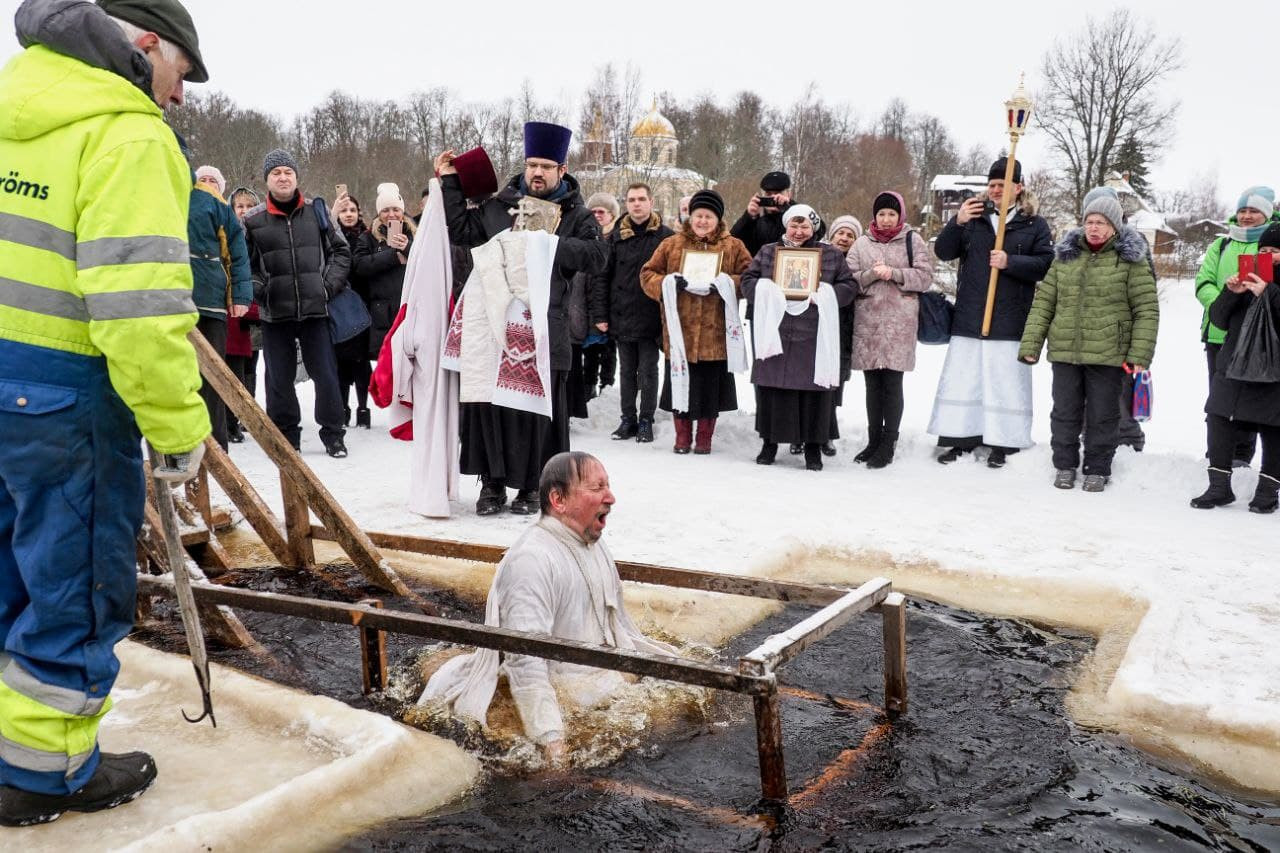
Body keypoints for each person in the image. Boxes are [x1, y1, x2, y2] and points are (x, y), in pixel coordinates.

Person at [0, 0, 211, 824]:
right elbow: (138, 308)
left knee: (9, 574)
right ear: (146, 41)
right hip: (66, 393)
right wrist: (179, 426)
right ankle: (45, 772)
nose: (180, 96)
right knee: (73, 583)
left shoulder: (17, 106)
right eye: (180, 74)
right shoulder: (125, 134)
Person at [417, 452, 677, 761]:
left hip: (594, 677)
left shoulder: (593, 543)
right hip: (561, 688)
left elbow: (617, 626)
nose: (611, 497)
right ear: (558, 499)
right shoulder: (533, 560)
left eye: (607, 486)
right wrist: (552, 741)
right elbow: (525, 659)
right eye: (597, 488)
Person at [434, 123, 608, 516]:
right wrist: (449, 182)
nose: (538, 173)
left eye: (547, 166)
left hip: (548, 327)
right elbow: (462, 230)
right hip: (497, 328)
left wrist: (547, 244)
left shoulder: (577, 215)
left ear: (562, 170)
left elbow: (598, 257)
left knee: (538, 415)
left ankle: (535, 487)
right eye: (533, 164)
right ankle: (492, 484)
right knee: (493, 410)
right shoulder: (501, 204)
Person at [1019, 190, 1159, 492]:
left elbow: (1146, 309)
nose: (1094, 228)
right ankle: (1065, 465)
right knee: (1065, 411)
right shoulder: (1065, 258)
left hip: (1109, 353)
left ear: (1114, 226)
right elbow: (1044, 303)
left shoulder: (1130, 260)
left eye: (1102, 222)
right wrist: (1031, 344)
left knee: (1103, 415)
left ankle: (1097, 468)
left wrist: (1139, 354)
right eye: (1090, 221)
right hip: (1066, 350)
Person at [926, 157, 1054, 468]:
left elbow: (1046, 264)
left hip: (1009, 318)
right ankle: (960, 437)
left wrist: (1010, 262)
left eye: (1002, 185)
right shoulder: (974, 217)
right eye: (992, 185)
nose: (996, 190)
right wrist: (956, 222)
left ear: (1018, 187)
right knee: (966, 379)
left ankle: (1003, 442)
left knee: (1003, 382)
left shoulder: (1033, 223)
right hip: (970, 315)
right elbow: (943, 252)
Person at [241, 149, 353, 457]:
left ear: (296, 177)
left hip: (315, 310)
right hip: (275, 312)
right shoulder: (253, 220)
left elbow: (341, 253)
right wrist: (261, 290)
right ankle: (286, 435)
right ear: (267, 180)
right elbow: (243, 266)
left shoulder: (317, 212)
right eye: (276, 173)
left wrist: (326, 287)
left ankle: (333, 433)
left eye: (287, 172)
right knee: (279, 377)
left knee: (326, 374)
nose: (282, 177)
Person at [742, 205, 857, 471]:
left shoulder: (829, 254)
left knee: (813, 394)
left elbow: (849, 285)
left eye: (805, 226)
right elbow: (748, 279)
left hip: (815, 334)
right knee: (773, 390)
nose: (799, 231)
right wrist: (764, 289)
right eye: (794, 226)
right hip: (777, 331)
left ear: (814, 228)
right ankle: (769, 443)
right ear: (785, 226)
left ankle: (813, 448)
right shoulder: (769, 251)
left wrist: (826, 294)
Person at [640, 189, 752, 454]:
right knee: (681, 385)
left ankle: (704, 438)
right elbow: (647, 274)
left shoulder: (733, 245)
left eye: (708, 216)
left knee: (709, 389)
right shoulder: (672, 244)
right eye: (698, 215)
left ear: (718, 219)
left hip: (716, 335)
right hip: (682, 333)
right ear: (690, 217)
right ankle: (681, 437)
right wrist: (668, 283)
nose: (702, 221)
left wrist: (726, 284)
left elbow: (749, 276)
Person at [1191, 223, 1280, 513]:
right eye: (1264, 250)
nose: (1269, 256)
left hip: (1273, 369)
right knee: (1217, 417)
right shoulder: (1249, 277)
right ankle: (1218, 487)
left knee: (1274, 427)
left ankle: (1267, 493)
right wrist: (1231, 292)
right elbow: (1217, 319)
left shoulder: (1267, 285)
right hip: (1232, 364)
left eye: (1276, 251)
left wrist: (1268, 292)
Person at [845, 192, 934, 469]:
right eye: (881, 214)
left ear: (900, 216)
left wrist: (894, 273)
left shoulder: (913, 240)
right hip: (868, 321)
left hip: (899, 323)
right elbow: (848, 281)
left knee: (892, 384)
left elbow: (925, 277)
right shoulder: (861, 243)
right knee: (872, 384)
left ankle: (888, 443)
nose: (886, 219)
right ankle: (873, 440)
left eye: (891, 214)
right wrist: (871, 274)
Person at [592, 183, 674, 443]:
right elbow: (602, 277)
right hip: (622, 312)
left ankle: (646, 420)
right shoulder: (616, 236)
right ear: (625, 204)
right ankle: (627, 418)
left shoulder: (665, 236)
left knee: (648, 370)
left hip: (651, 314)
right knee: (626, 371)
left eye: (641, 199)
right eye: (631, 200)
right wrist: (600, 315)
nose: (636, 204)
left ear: (651, 202)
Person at [189, 165, 251, 451]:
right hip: (176, 298)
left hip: (212, 301)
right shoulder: (177, 196)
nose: (208, 182)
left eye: (214, 179)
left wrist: (239, 296)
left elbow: (238, 255)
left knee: (212, 374)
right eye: (203, 178)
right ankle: (183, 442)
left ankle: (217, 444)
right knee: (180, 372)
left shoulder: (222, 209)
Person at [819, 214, 865, 457]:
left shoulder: (858, 262)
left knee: (834, 386)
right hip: (818, 327)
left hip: (845, 330)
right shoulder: (819, 256)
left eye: (850, 235)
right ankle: (806, 435)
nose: (845, 238)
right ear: (832, 234)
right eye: (841, 233)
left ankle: (827, 434)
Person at [224, 186, 263, 442]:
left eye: (250, 206)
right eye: (240, 206)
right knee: (235, 364)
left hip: (258, 306)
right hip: (234, 308)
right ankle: (231, 419)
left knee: (252, 364)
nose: (245, 211)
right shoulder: (227, 233)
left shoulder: (262, 233)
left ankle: (248, 414)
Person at [332, 192, 372, 428]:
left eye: (353, 210)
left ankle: (363, 407)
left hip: (362, 307)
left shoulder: (366, 238)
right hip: (338, 305)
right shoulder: (329, 236)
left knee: (360, 361)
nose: (348, 214)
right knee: (339, 361)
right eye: (344, 210)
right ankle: (343, 407)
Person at [730, 171, 825, 257]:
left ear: (789, 194)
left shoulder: (799, 214)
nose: (773, 198)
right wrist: (748, 216)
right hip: (762, 270)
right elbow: (733, 241)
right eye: (768, 194)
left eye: (778, 193)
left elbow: (820, 230)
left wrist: (789, 207)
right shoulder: (756, 221)